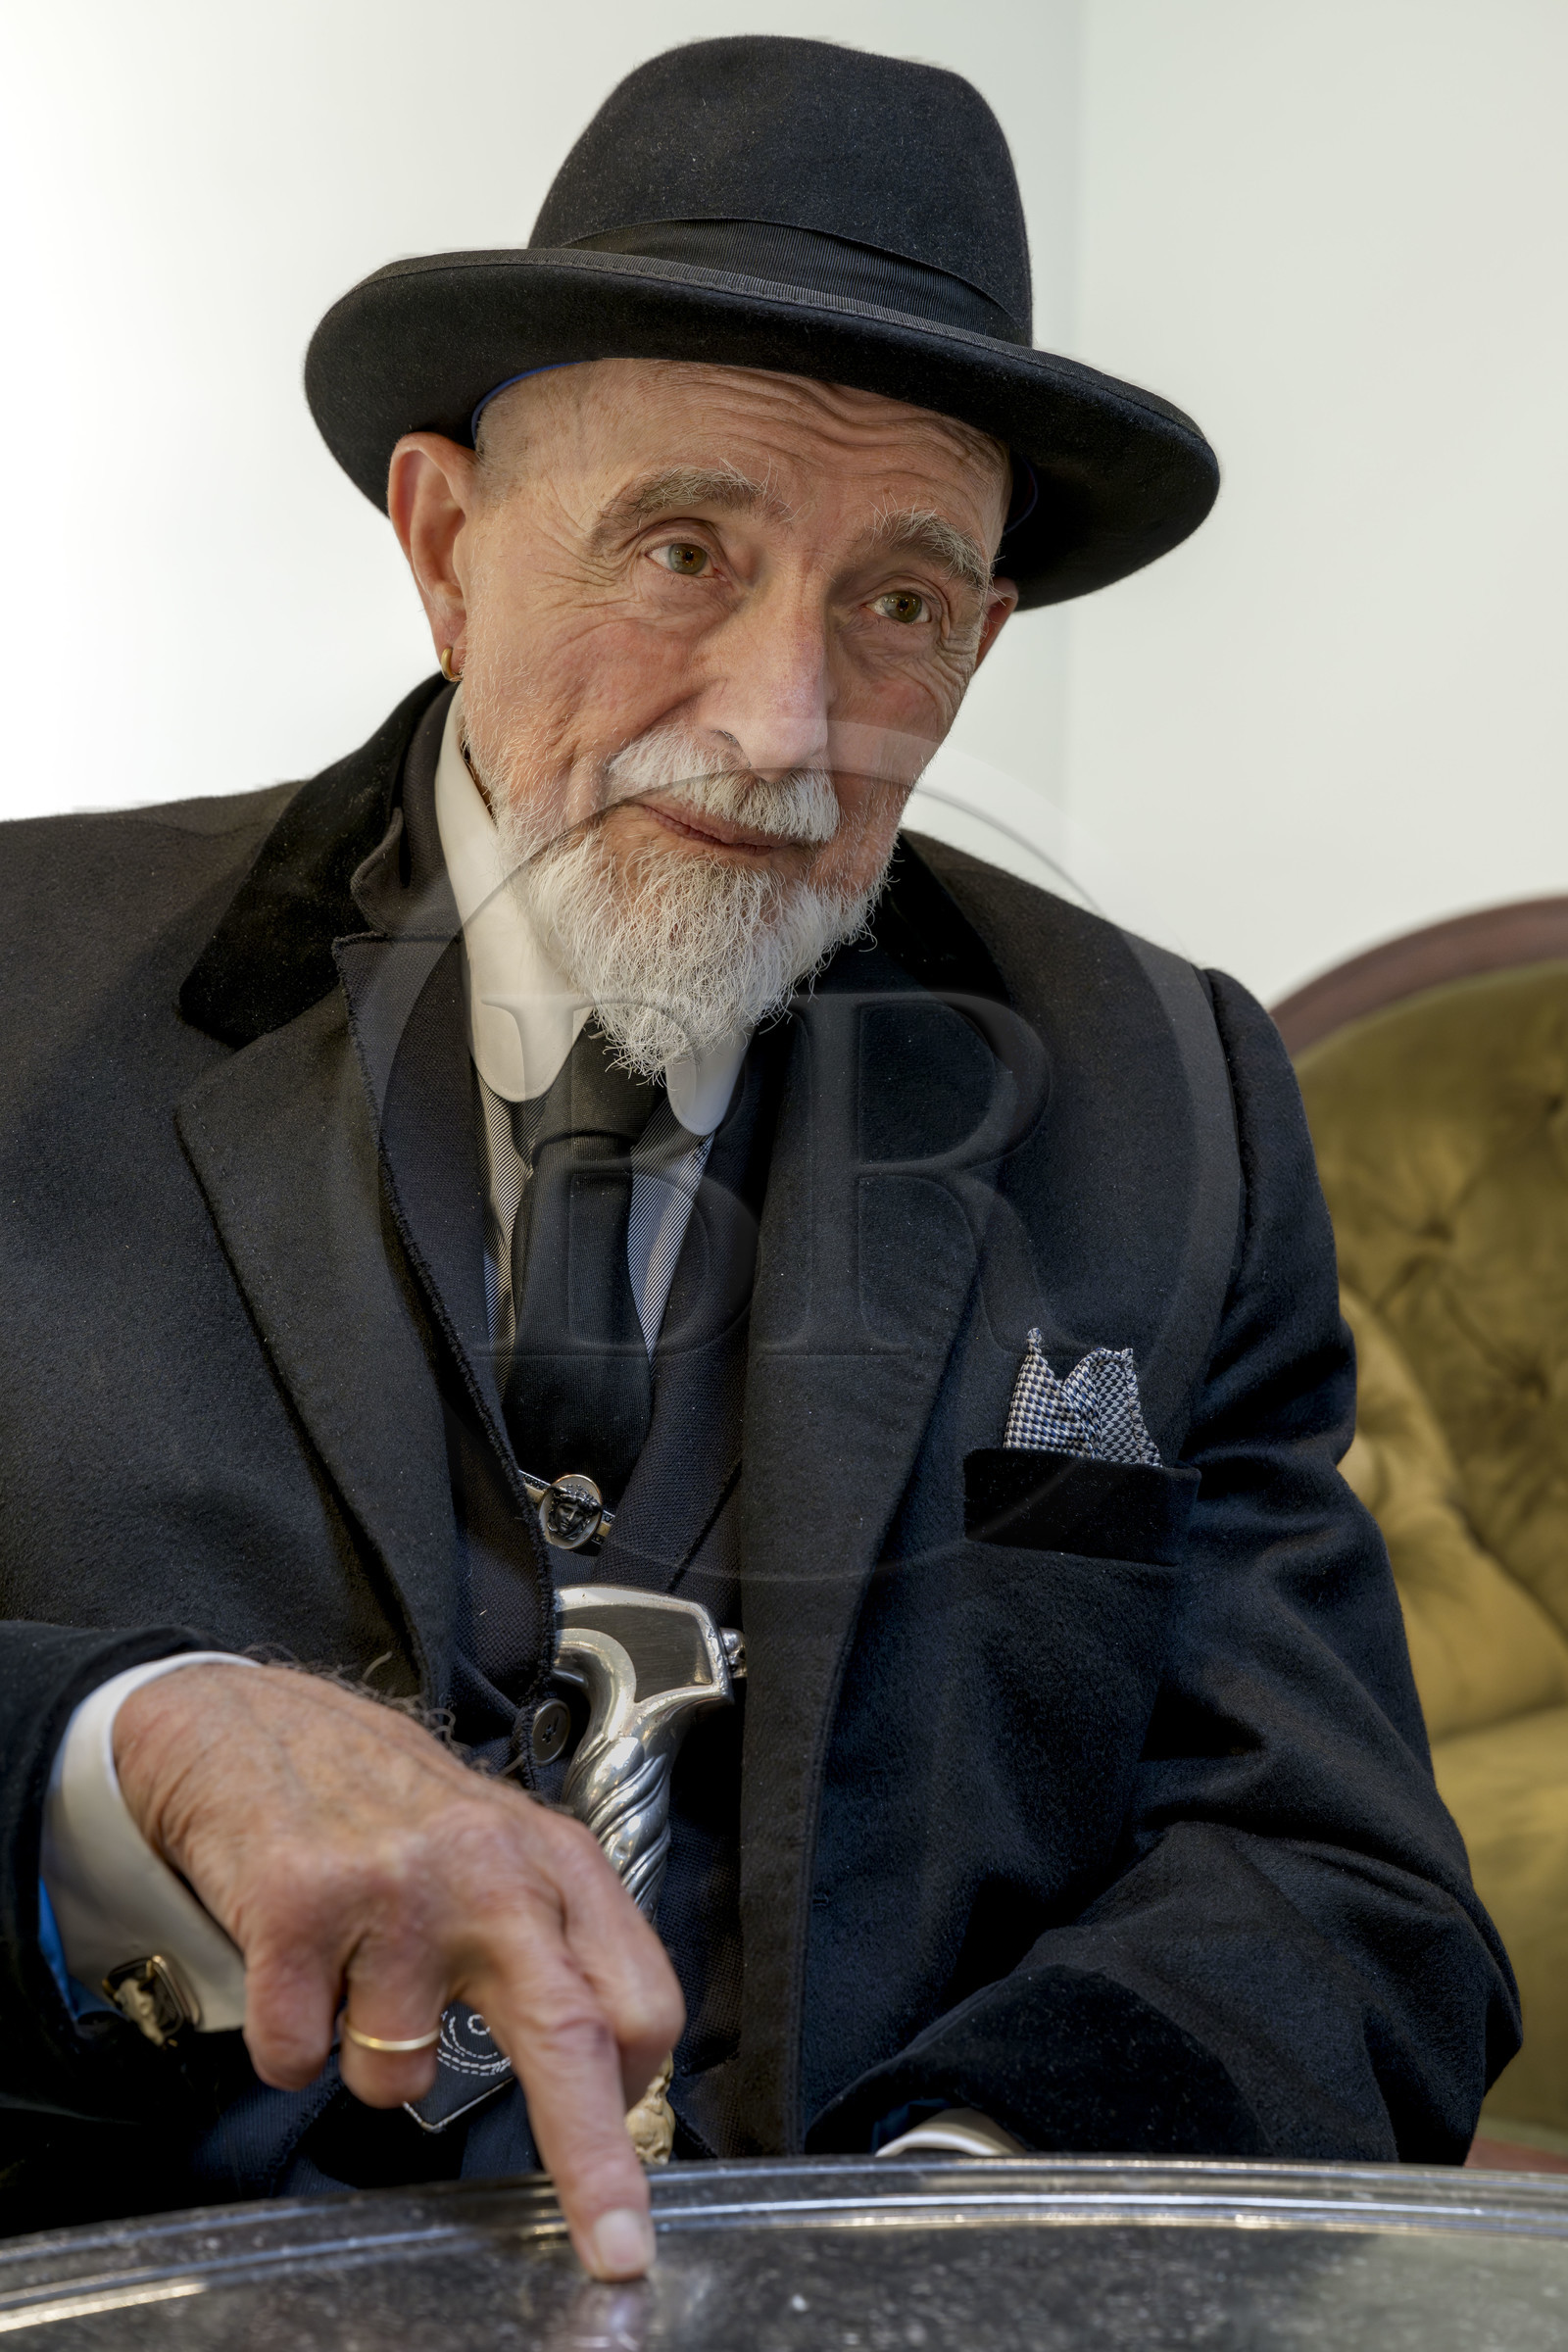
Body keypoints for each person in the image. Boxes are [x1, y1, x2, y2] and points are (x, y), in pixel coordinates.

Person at [0, 33, 1516, 2282]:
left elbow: (1335, 1885)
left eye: (895, 603)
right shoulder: (22, 987)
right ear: (442, 540)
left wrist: (938, 2244)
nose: (778, 721)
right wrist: (129, 1751)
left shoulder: (1161, 1098)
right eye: (682, 550)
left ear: (978, 640)